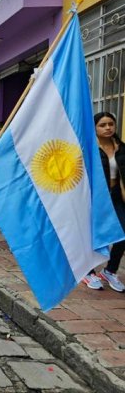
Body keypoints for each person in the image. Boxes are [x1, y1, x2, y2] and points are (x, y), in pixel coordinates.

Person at [82, 112, 125, 291]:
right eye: (102, 125)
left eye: (111, 124)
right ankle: (88, 271)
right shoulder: (89, 148)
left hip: (117, 195)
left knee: (123, 233)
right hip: (96, 196)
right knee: (94, 234)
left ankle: (110, 271)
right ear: (95, 128)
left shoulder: (121, 148)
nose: (108, 128)